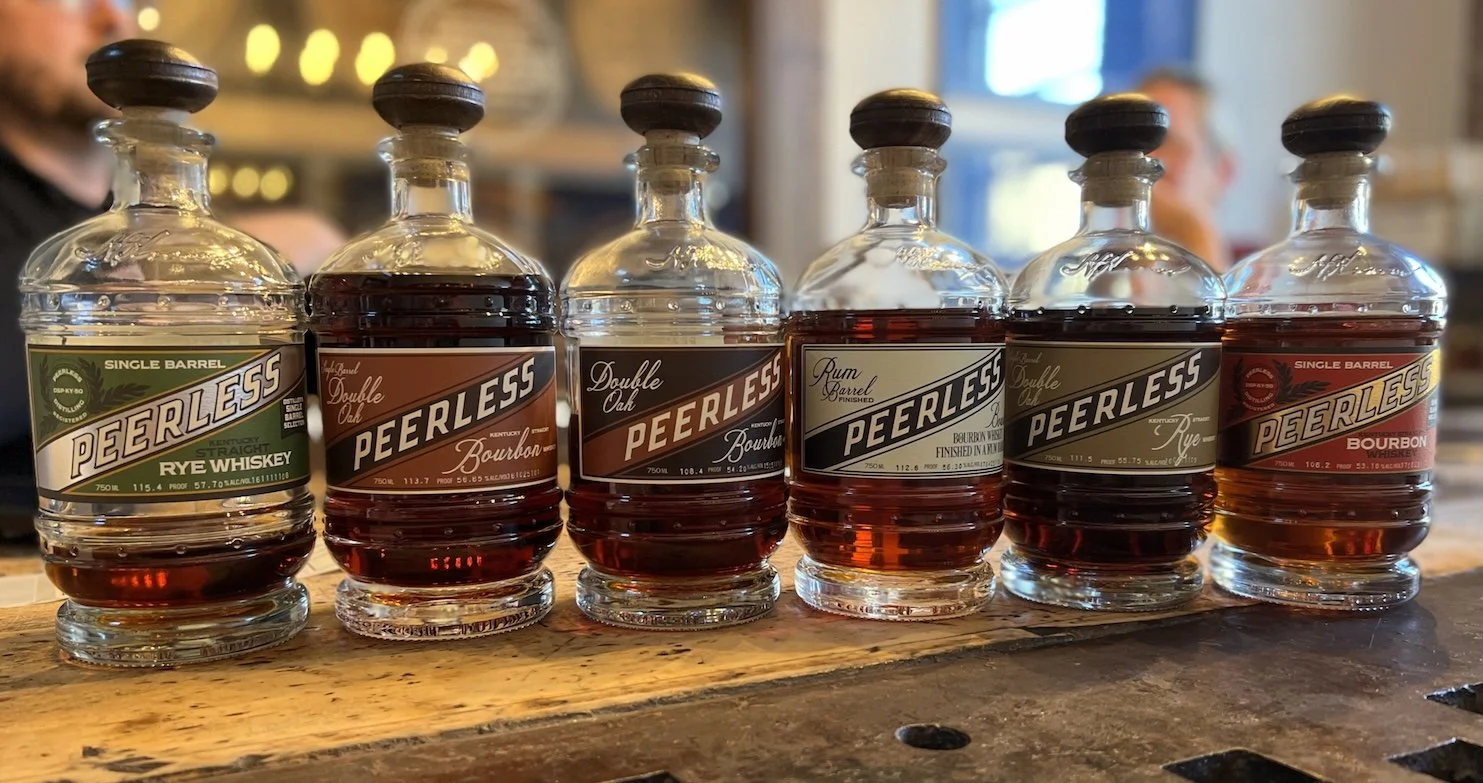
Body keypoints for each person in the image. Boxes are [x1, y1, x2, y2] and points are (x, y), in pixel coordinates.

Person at [0, 0, 342, 537]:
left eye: (130, 2)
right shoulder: (60, 257)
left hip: (223, 545)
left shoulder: (214, 250)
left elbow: (344, 392)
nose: (113, 21)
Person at [1136, 67, 1237, 273]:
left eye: (1170, 144)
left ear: (1223, 171)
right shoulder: (1092, 274)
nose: (1145, 160)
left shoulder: (1266, 282)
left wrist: (1197, 236)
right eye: (1135, 146)